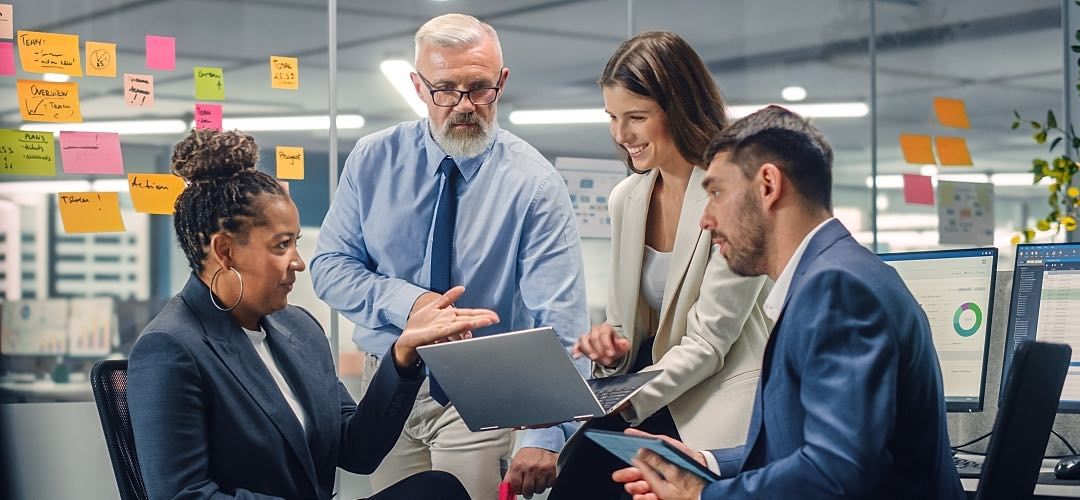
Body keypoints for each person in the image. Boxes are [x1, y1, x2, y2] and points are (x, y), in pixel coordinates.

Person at [612, 106, 965, 499]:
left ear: (768, 185)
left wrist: (700, 496)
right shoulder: (832, 276)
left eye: (715, 193)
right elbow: (806, 452)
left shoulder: (837, 290)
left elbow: (837, 472)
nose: (705, 219)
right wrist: (705, 463)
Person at [128, 129, 500, 499]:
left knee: (439, 489)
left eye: (295, 243)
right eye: (281, 246)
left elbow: (357, 450)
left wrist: (403, 355)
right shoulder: (171, 348)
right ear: (225, 251)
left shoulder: (298, 328)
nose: (299, 262)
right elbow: (183, 495)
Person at [309, 13, 589, 500]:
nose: (463, 106)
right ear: (418, 87)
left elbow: (561, 321)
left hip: (483, 388)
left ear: (501, 83)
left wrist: (547, 432)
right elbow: (330, 266)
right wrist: (414, 305)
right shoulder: (372, 160)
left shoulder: (534, 183)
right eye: (445, 89)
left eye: (479, 88)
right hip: (387, 382)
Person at [551, 31, 773, 499]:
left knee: (598, 471)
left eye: (636, 117)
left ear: (679, 108)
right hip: (651, 395)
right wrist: (610, 347)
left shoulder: (735, 196)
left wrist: (622, 404)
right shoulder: (626, 199)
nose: (621, 134)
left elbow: (709, 343)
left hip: (715, 404)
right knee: (579, 478)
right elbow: (627, 325)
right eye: (612, 117)